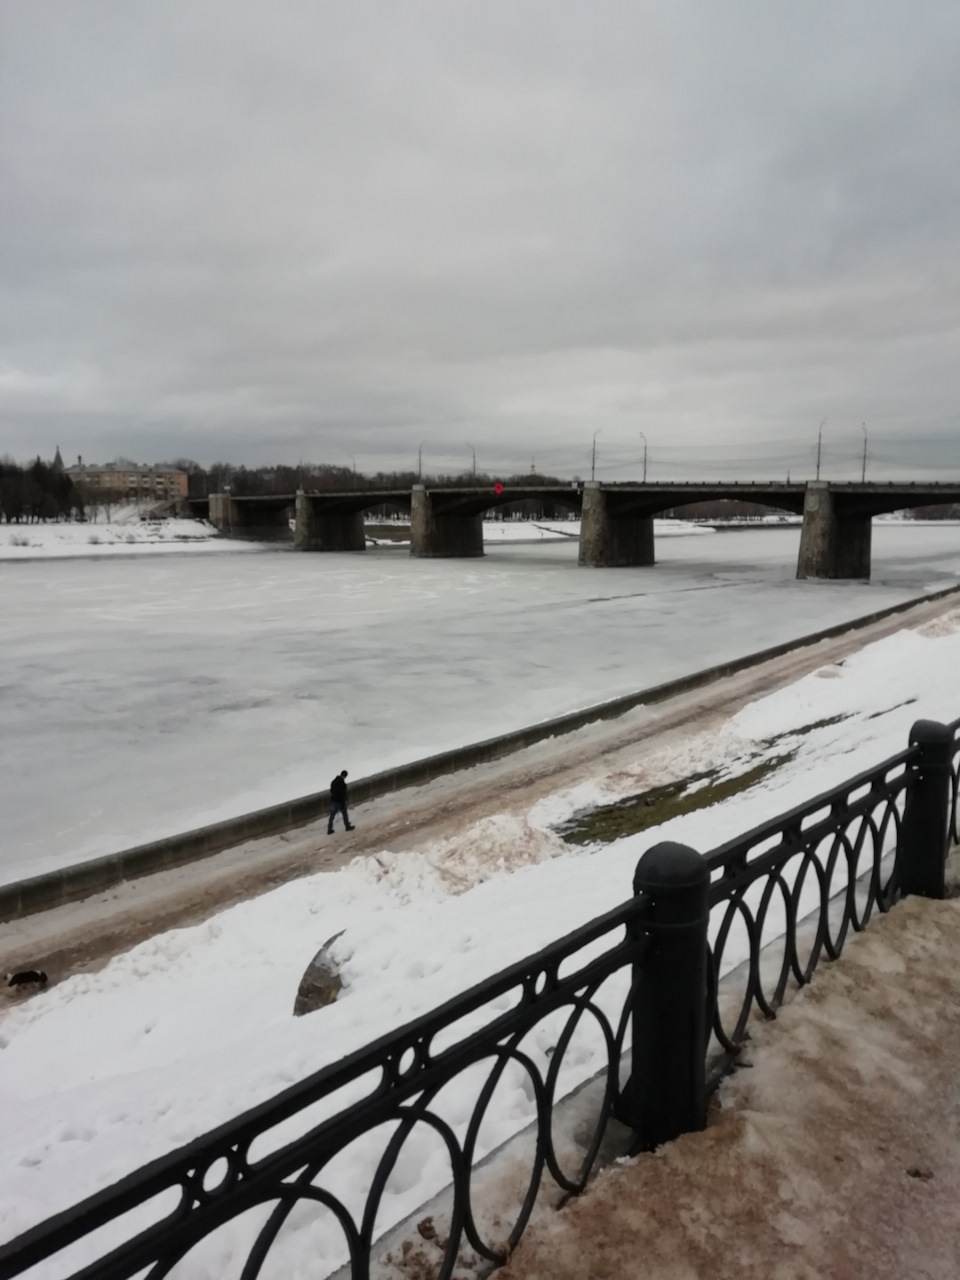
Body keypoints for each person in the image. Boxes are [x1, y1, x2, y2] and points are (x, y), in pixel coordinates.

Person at [328, 769, 354, 834]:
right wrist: (343, 803)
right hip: (340, 802)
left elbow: (331, 791)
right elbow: (343, 795)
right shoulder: (343, 784)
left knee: (332, 816)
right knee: (344, 814)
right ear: (345, 776)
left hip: (333, 801)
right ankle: (347, 826)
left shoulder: (333, 782)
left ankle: (329, 829)